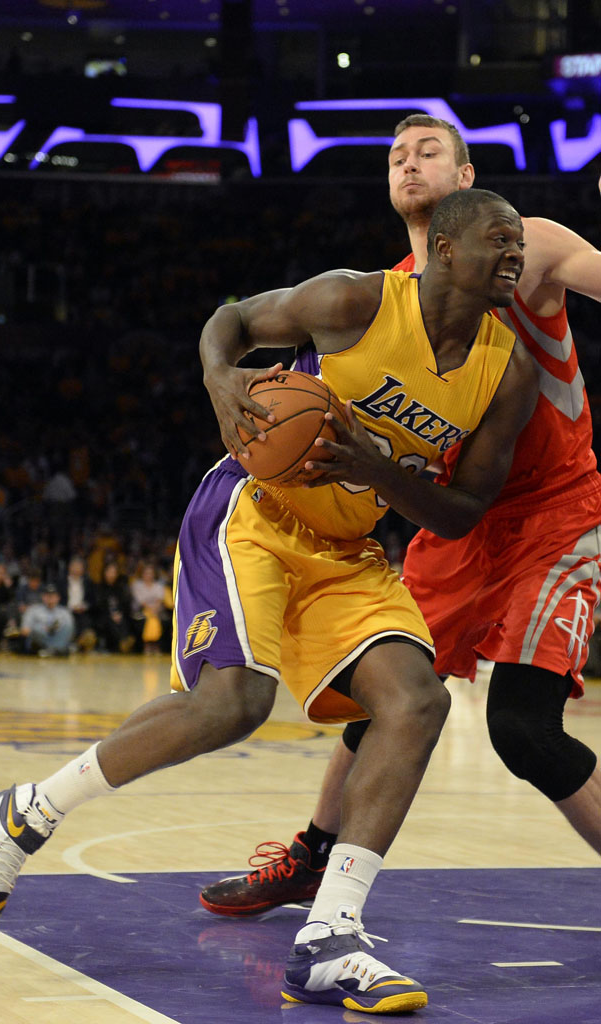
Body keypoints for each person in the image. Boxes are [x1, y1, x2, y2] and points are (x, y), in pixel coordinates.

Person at [0, 188, 538, 1015]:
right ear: (443, 248)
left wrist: (375, 471)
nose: (514, 252)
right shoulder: (353, 300)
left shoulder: (507, 371)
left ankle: (330, 935)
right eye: (498, 239)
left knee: (414, 701)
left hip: (347, 547)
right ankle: (28, 811)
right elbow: (231, 318)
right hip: (252, 517)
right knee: (231, 704)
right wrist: (219, 379)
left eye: (518, 242)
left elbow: (464, 509)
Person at [199, 114, 601, 920]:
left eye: (427, 151)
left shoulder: (530, 245)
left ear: (463, 179)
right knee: (393, 692)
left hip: (553, 516)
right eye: (395, 155)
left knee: (521, 730)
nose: (407, 163)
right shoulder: (384, 297)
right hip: (455, 520)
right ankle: (312, 857)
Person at [19, 582, 75, 657]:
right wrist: (43, 630)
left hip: (57, 638)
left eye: (53, 596)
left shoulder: (65, 612)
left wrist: (55, 629)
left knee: (68, 626)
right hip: (40, 639)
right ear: (43, 597)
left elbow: (69, 631)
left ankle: (52, 650)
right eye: (48, 596)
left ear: (58, 597)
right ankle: (53, 651)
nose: (50, 598)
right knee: (36, 630)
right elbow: (24, 630)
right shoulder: (33, 610)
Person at [94, 560, 135, 653]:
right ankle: (122, 642)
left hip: (119, 614)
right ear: (104, 573)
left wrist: (119, 614)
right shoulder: (99, 587)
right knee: (110, 621)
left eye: (114, 572)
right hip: (104, 615)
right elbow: (98, 606)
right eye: (109, 572)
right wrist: (110, 615)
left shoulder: (121, 588)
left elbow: (125, 605)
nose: (111, 575)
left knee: (123, 620)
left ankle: (125, 641)